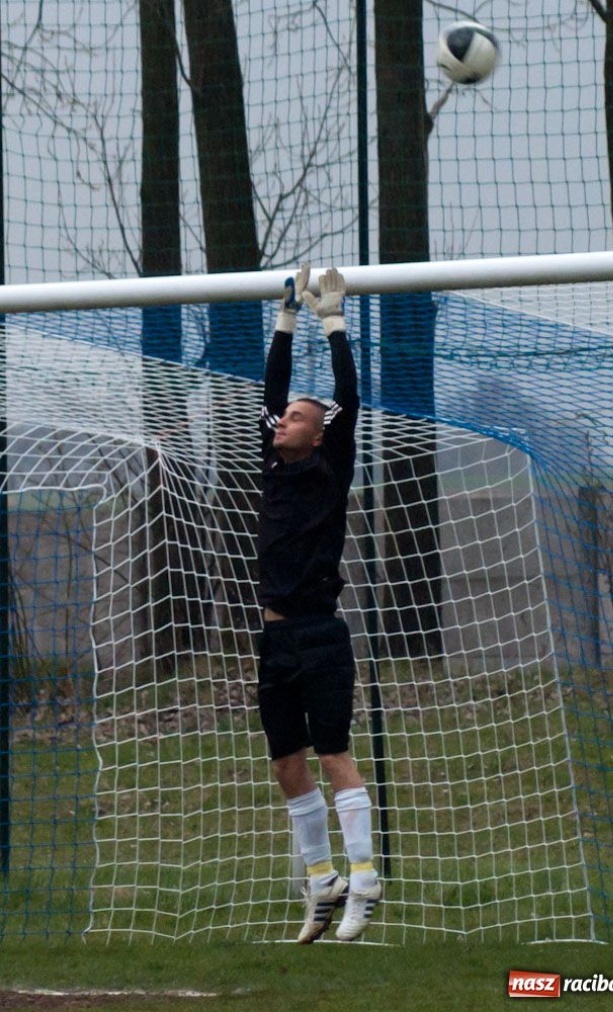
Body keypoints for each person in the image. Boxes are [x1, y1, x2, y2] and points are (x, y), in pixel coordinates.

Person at [256, 263, 381, 943]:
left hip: (319, 634)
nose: (283, 422)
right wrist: (285, 316)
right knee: (284, 762)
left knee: (333, 753)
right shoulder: (273, 461)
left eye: (298, 418)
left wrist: (331, 321)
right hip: (274, 639)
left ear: (318, 431)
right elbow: (272, 391)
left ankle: (364, 877)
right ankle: (322, 879)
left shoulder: (329, 467)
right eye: (283, 417)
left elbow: (348, 398)